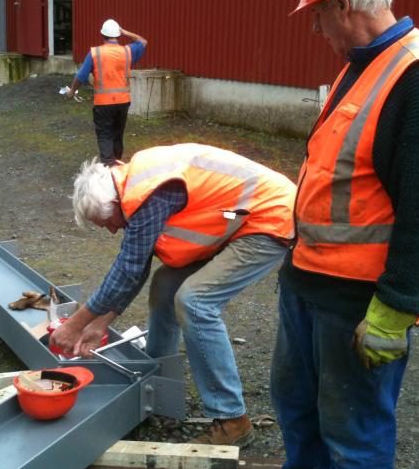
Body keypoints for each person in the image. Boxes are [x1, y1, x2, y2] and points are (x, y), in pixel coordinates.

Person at [241, 0, 419, 469]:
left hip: (359, 297)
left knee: (354, 426)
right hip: (309, 280)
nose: (316, 29)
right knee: (298, 402)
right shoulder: (361, 68)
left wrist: (395, 310)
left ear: (341, 4)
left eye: (317, 14)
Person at [49, 143, 296, 447]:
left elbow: (128, 268)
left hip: (267, 218)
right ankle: (157, 382)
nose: (113, 231)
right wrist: (100, 323)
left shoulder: (150, 191)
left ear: (112, 205)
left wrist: (74, 325)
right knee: (165, 284)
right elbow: (137, 267)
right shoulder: (134, 185)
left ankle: (232, 419)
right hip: (236, 218)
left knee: (195, 302)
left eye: (108, 223)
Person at [63, 19, 147, 166]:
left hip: (103, 104)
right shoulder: (128, 51)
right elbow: (143, 41)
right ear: (118, 35)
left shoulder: (95, 53)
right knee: (117, 135)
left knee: (105, 135)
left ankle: (109, 168)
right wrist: (125, 31)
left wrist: (72, 91)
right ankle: (117, 167)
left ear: (102, 34)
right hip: (123, 101)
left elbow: (81, 76)